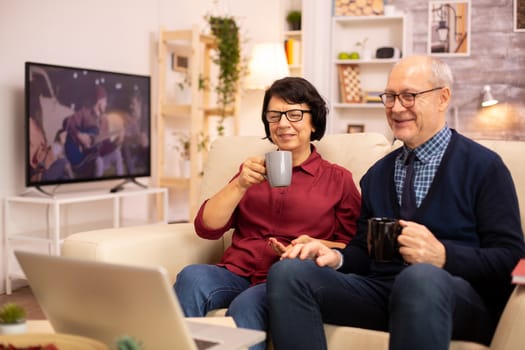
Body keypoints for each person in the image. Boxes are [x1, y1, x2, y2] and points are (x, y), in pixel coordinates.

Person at [267, 55, 525, 350]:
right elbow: (364, 252)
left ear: (442, 98)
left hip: (456, 298)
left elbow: (511, 258)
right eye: (389, 97)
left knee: (420, 279)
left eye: (409, 96)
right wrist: (334, 257)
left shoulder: (484, 167)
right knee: (288, 273)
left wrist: (443, 256)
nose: (396, 107)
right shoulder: (377, 175)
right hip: (382, 292)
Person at [174, 77, 362, 350]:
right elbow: (207, 228)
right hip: (236, 271)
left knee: (247, 304)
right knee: (192, 276)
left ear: (313, 121)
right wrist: (239, 184)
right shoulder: (250, 170)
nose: (283, 123)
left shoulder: (338, 179)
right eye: (274, 116)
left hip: (285, 280)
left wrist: (316, 245)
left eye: (295, 114)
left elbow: (354, 248)